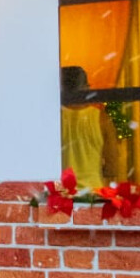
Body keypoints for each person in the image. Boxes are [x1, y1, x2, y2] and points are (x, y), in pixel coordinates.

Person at [60, 64, 106, 192]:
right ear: (86, 89)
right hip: (94, 192)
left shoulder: (54, 119)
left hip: (63, 195)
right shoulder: (101, 116)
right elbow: (112, 165)